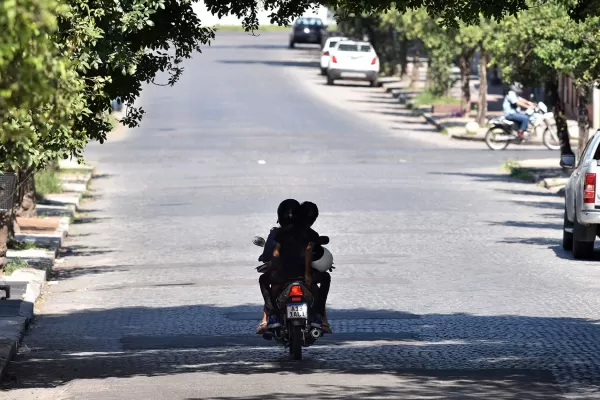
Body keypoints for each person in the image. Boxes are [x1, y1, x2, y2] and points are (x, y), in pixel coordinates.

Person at [256, 199, 301, 334]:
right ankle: (319, 318)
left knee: (263, 280)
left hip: (282, 275)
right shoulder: (306, 232)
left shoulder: (276, 233)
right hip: (304, 274)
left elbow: (268, 252)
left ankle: (273, 315)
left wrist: (265, 258)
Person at [299, 201, 333, 333]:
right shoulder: (311, 234)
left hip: (285, 271)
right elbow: (309, 251)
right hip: (303, 273)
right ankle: (320, 316)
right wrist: (308, 273)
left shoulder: (283, 230)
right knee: (325, 278)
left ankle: (268, 318)